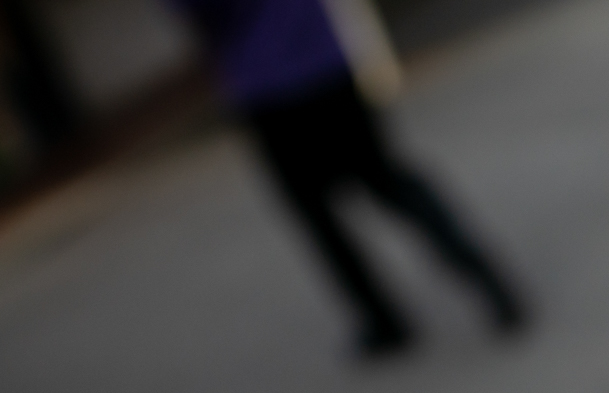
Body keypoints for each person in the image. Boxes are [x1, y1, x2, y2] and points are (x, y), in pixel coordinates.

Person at [168, 0, 526, 356]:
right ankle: (486, 277)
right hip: (326, 61)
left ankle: (384, 320)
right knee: (388, 180)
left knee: (319, 215)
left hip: (268, 88)